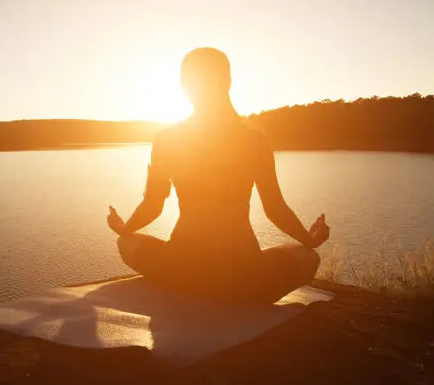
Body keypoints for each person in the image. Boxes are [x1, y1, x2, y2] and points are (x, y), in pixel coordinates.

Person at [107, 48, 329, 303]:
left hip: (181, 268)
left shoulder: (166, 140)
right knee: (308, 257)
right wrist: (309, 240)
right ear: (228, 82)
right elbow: (275, 209)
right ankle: (235, 293)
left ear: (183, 86)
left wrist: (125, 228)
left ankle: (188, 287)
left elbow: (153, 205)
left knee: (126, 243)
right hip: (242, 276)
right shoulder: (254, 140)